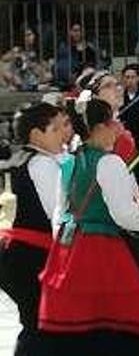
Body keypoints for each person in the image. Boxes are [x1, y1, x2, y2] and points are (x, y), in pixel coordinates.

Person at [38, 98, 139, 356]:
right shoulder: (109, 163)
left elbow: (59, 210)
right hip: (107, 251)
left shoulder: (69, 162)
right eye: (113, 121)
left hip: (72, 249)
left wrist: (64, 240)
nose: (117, 128)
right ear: (99, 127)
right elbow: (125, 214)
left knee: (84, 322)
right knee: (128, 320)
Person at [0, 102, 65, 356]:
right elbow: (57, 215)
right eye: (56, 129)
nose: (63, 134)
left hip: (14, 252)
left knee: (37, 323)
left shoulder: (20, 159)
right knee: (40, 324)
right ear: (37, 134)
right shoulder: (42, 164)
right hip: (30, 255)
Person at [53, 23, 107, 89]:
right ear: (69, 32)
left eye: (79, 31)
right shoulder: (64, 47)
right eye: (75, 31)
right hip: (73, 78)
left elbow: (100, 60)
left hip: (91, 75)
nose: (77, 33)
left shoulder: (91, 45)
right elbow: (62, 65)